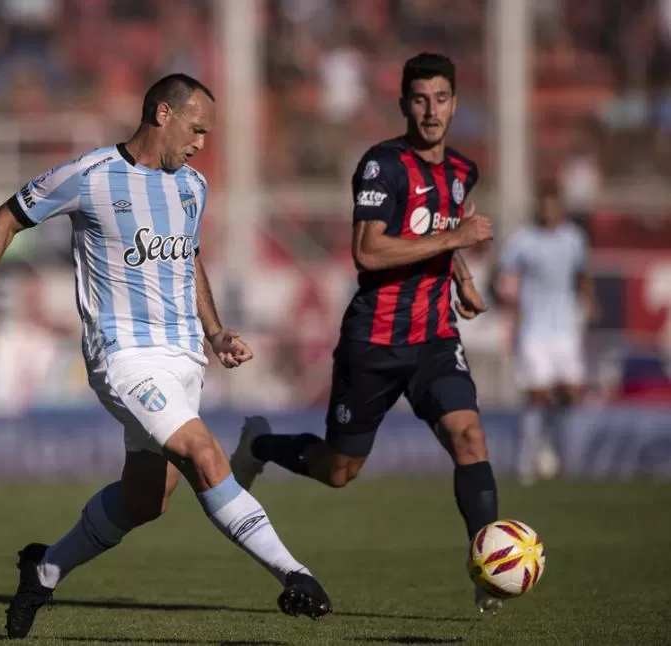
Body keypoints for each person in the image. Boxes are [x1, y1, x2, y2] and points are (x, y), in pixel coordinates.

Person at [0, 73, 332, 639]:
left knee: (147, 500)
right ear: (161, 114)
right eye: (196, 129)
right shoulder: (91, 175)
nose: (202, 143)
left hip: (184, 360)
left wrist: (216, 330)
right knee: (203, 453)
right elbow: (7, 216)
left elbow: (189, 258)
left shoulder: (192, 187)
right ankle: (294, 574)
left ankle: (44, 568)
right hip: (123, 356)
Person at [228, 53, 503, 613]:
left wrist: (464, 280)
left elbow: (446, 228)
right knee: (338, 471)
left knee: (469, 437)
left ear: (455, 103)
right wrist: (458, 243)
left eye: (442, 98)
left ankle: (488, 565)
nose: (431, 111)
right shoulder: (384, 165)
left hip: (434, 338)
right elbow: (369, 250)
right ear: (404, 105)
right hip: (374, 342)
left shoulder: (461, 172)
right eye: (420, 99)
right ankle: (259, 443)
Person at [492, 182, 597, 486]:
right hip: (534, 328)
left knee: (573, 391)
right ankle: (527, 460)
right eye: (544, 205)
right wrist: (509, 304)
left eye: (554, 205)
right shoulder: (524, 240)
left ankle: (546, 442)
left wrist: (589, 301)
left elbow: (582, 274)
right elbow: (500, 274)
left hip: (565, 325)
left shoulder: (573, 239)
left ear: (560, 208)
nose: (548, 211)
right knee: (537, 394)